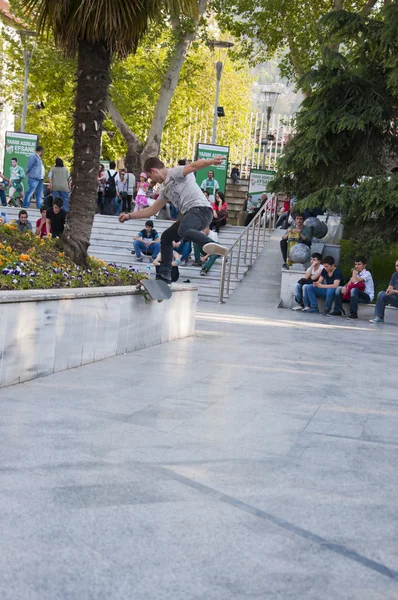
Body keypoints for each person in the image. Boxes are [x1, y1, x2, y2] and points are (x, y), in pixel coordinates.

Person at [119, 155, 228, 284]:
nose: (151, 180)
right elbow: (152, 210)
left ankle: (211, 244)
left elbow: (194, 166)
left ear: (154, 170)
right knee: (166, 237)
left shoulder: (175, 172)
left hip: (202, 210)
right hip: (191, 216)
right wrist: (130, 216)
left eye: (150, 176)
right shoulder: (164, 189)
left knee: (183, 229)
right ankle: (165, 275)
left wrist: (211, 161)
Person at [369, 259, 398, 324]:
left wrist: (394, 291)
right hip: (396, 299)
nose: (397, 267)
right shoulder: (395, 275)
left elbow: (393, 290)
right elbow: (390, 287)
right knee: (381, 294)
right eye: (396, 266)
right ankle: (379, 318)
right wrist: (389, 291)